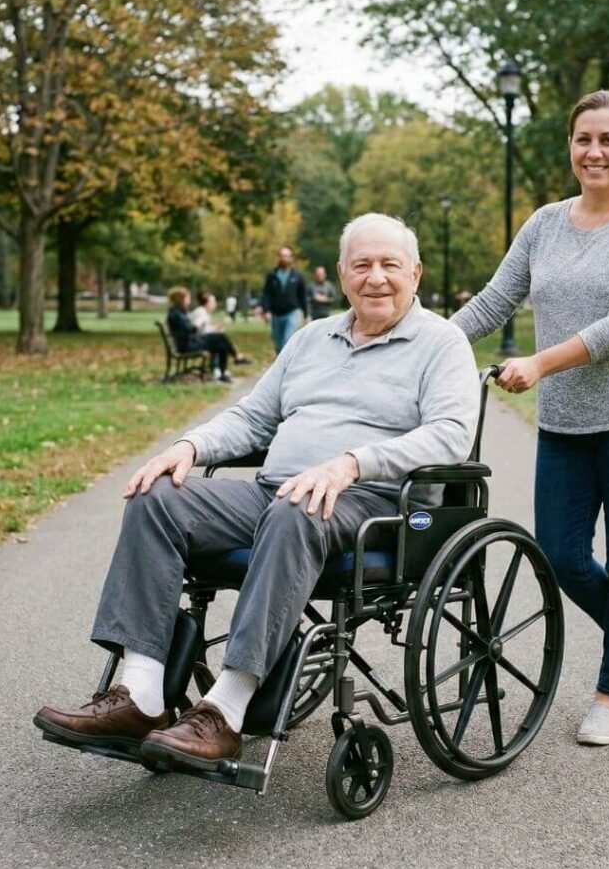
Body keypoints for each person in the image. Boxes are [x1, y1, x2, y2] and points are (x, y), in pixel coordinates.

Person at [34, 213, 479, 769]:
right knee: (156, 497)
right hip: (276, 491)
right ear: (342, 275)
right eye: (362, 265)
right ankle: (142, 696)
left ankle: (226, 709)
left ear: (415, 272)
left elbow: (450, 436)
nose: (376, 277)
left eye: (390, 264)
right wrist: (190, 448)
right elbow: (253, 418)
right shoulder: (311, 338)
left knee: (296, 506)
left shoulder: (442, 343)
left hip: (377, 504)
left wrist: (350, 464)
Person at [451, 89, 609, 747]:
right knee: (559, 555)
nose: (594, 151)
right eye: (583, 139)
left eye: (608, 139)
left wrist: (541, 364)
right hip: (567, 422)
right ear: (570, 147)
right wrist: (424, 346)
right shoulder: (546, 223)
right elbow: (495, 300)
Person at [165, 286, 235, 382]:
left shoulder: (177, 312)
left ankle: (221, 369)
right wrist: (197, 325)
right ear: (181, 299)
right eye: (187, 298)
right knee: (220, 339)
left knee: (220, 339)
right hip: (188, 345)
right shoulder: (177, 314)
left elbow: (187, 329)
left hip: (189, 342)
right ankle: (227, 367)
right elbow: (189, 330)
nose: (189, 300)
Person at [189, 290, 252, 369]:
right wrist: (215, 331)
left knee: (222, 341)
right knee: (222, 340)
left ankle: (222, 368)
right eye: (213, 301)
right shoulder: (202, 313)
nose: (215, 303)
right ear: (207, 303)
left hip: (200, 340)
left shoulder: (202, 311)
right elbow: (197, 327)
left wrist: (215, 328)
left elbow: (204, 329)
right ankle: (235, 358)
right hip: (198, 342)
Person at [262, 246, 306, 354]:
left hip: (292, 312)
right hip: (276, 314)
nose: (284, 259)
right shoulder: (272, 276)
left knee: (287, 340)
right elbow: (266, 294)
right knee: (278, 345)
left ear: (291, 258)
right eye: (282, 256)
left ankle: (288, 369)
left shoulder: (297, 276)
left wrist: (305, 314)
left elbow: (302, 296)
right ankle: (281, 366)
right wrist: (266, 310)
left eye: (286, 256)